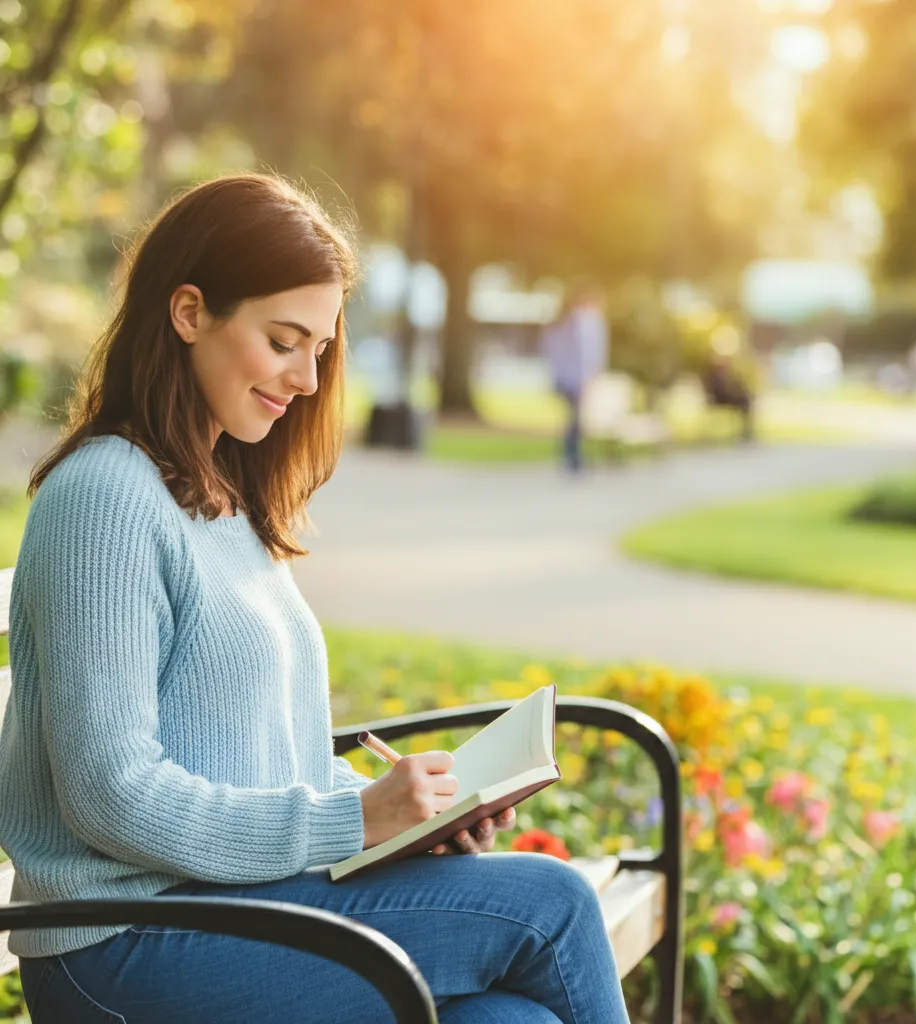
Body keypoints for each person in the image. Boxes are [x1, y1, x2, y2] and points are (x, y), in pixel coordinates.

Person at [0, 174, 629, 1023]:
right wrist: (352, 822)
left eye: (322, 348)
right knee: (551, 907)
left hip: (231, 910)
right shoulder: (106, 497)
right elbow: (111, 793)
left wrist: (409, 817)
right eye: (283, 339)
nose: (306, 376)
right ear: (188, 313)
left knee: (509, 1022)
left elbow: (260, 762)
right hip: (122, 946)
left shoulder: (222, 498)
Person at [539, 280, 608, 473]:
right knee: (575, 420)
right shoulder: (581, 322)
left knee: (574, 419)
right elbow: (587, 354)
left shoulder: (566, 322)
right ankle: (573, 459)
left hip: (567, 377)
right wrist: (588, 376)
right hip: (575, 379)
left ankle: (573, 457)